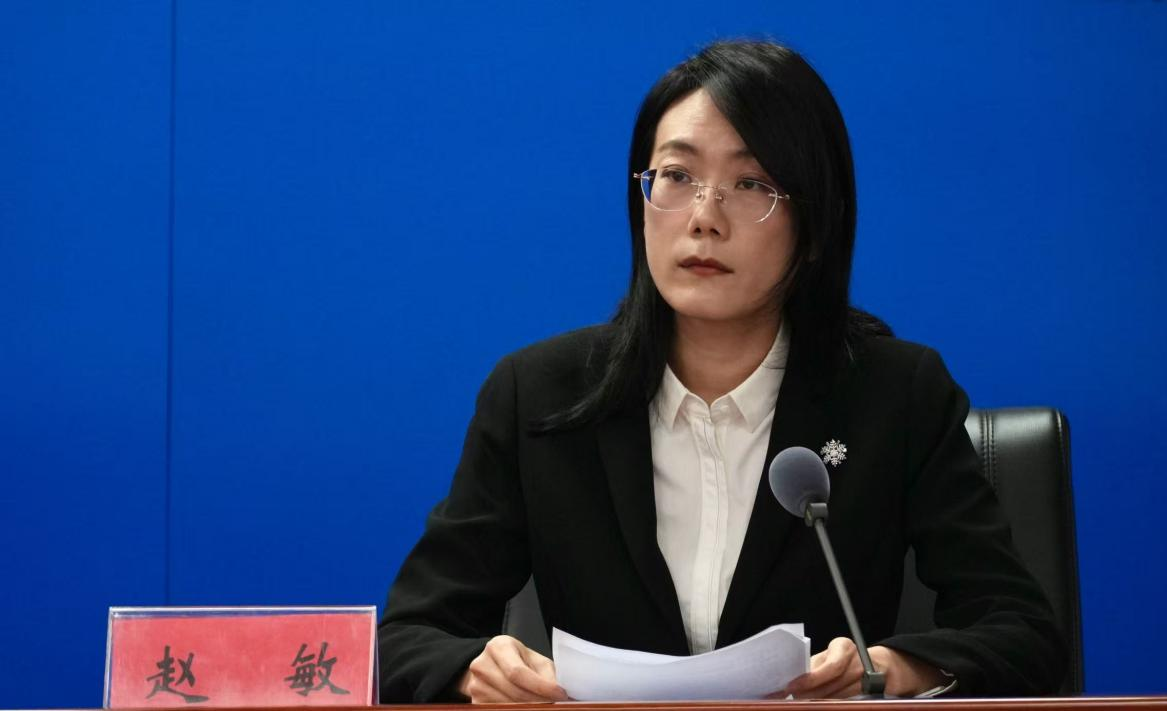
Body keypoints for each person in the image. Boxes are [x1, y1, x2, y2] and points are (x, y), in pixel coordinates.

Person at [379, 40, 1066, 703]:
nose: (704, 219)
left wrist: (889, 667)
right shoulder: (537, 395)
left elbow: (1022, 634)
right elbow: (407, 638)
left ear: (815, 223)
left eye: (751, 184)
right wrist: (474, 669)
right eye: (676, 177)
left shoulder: (896, 395)